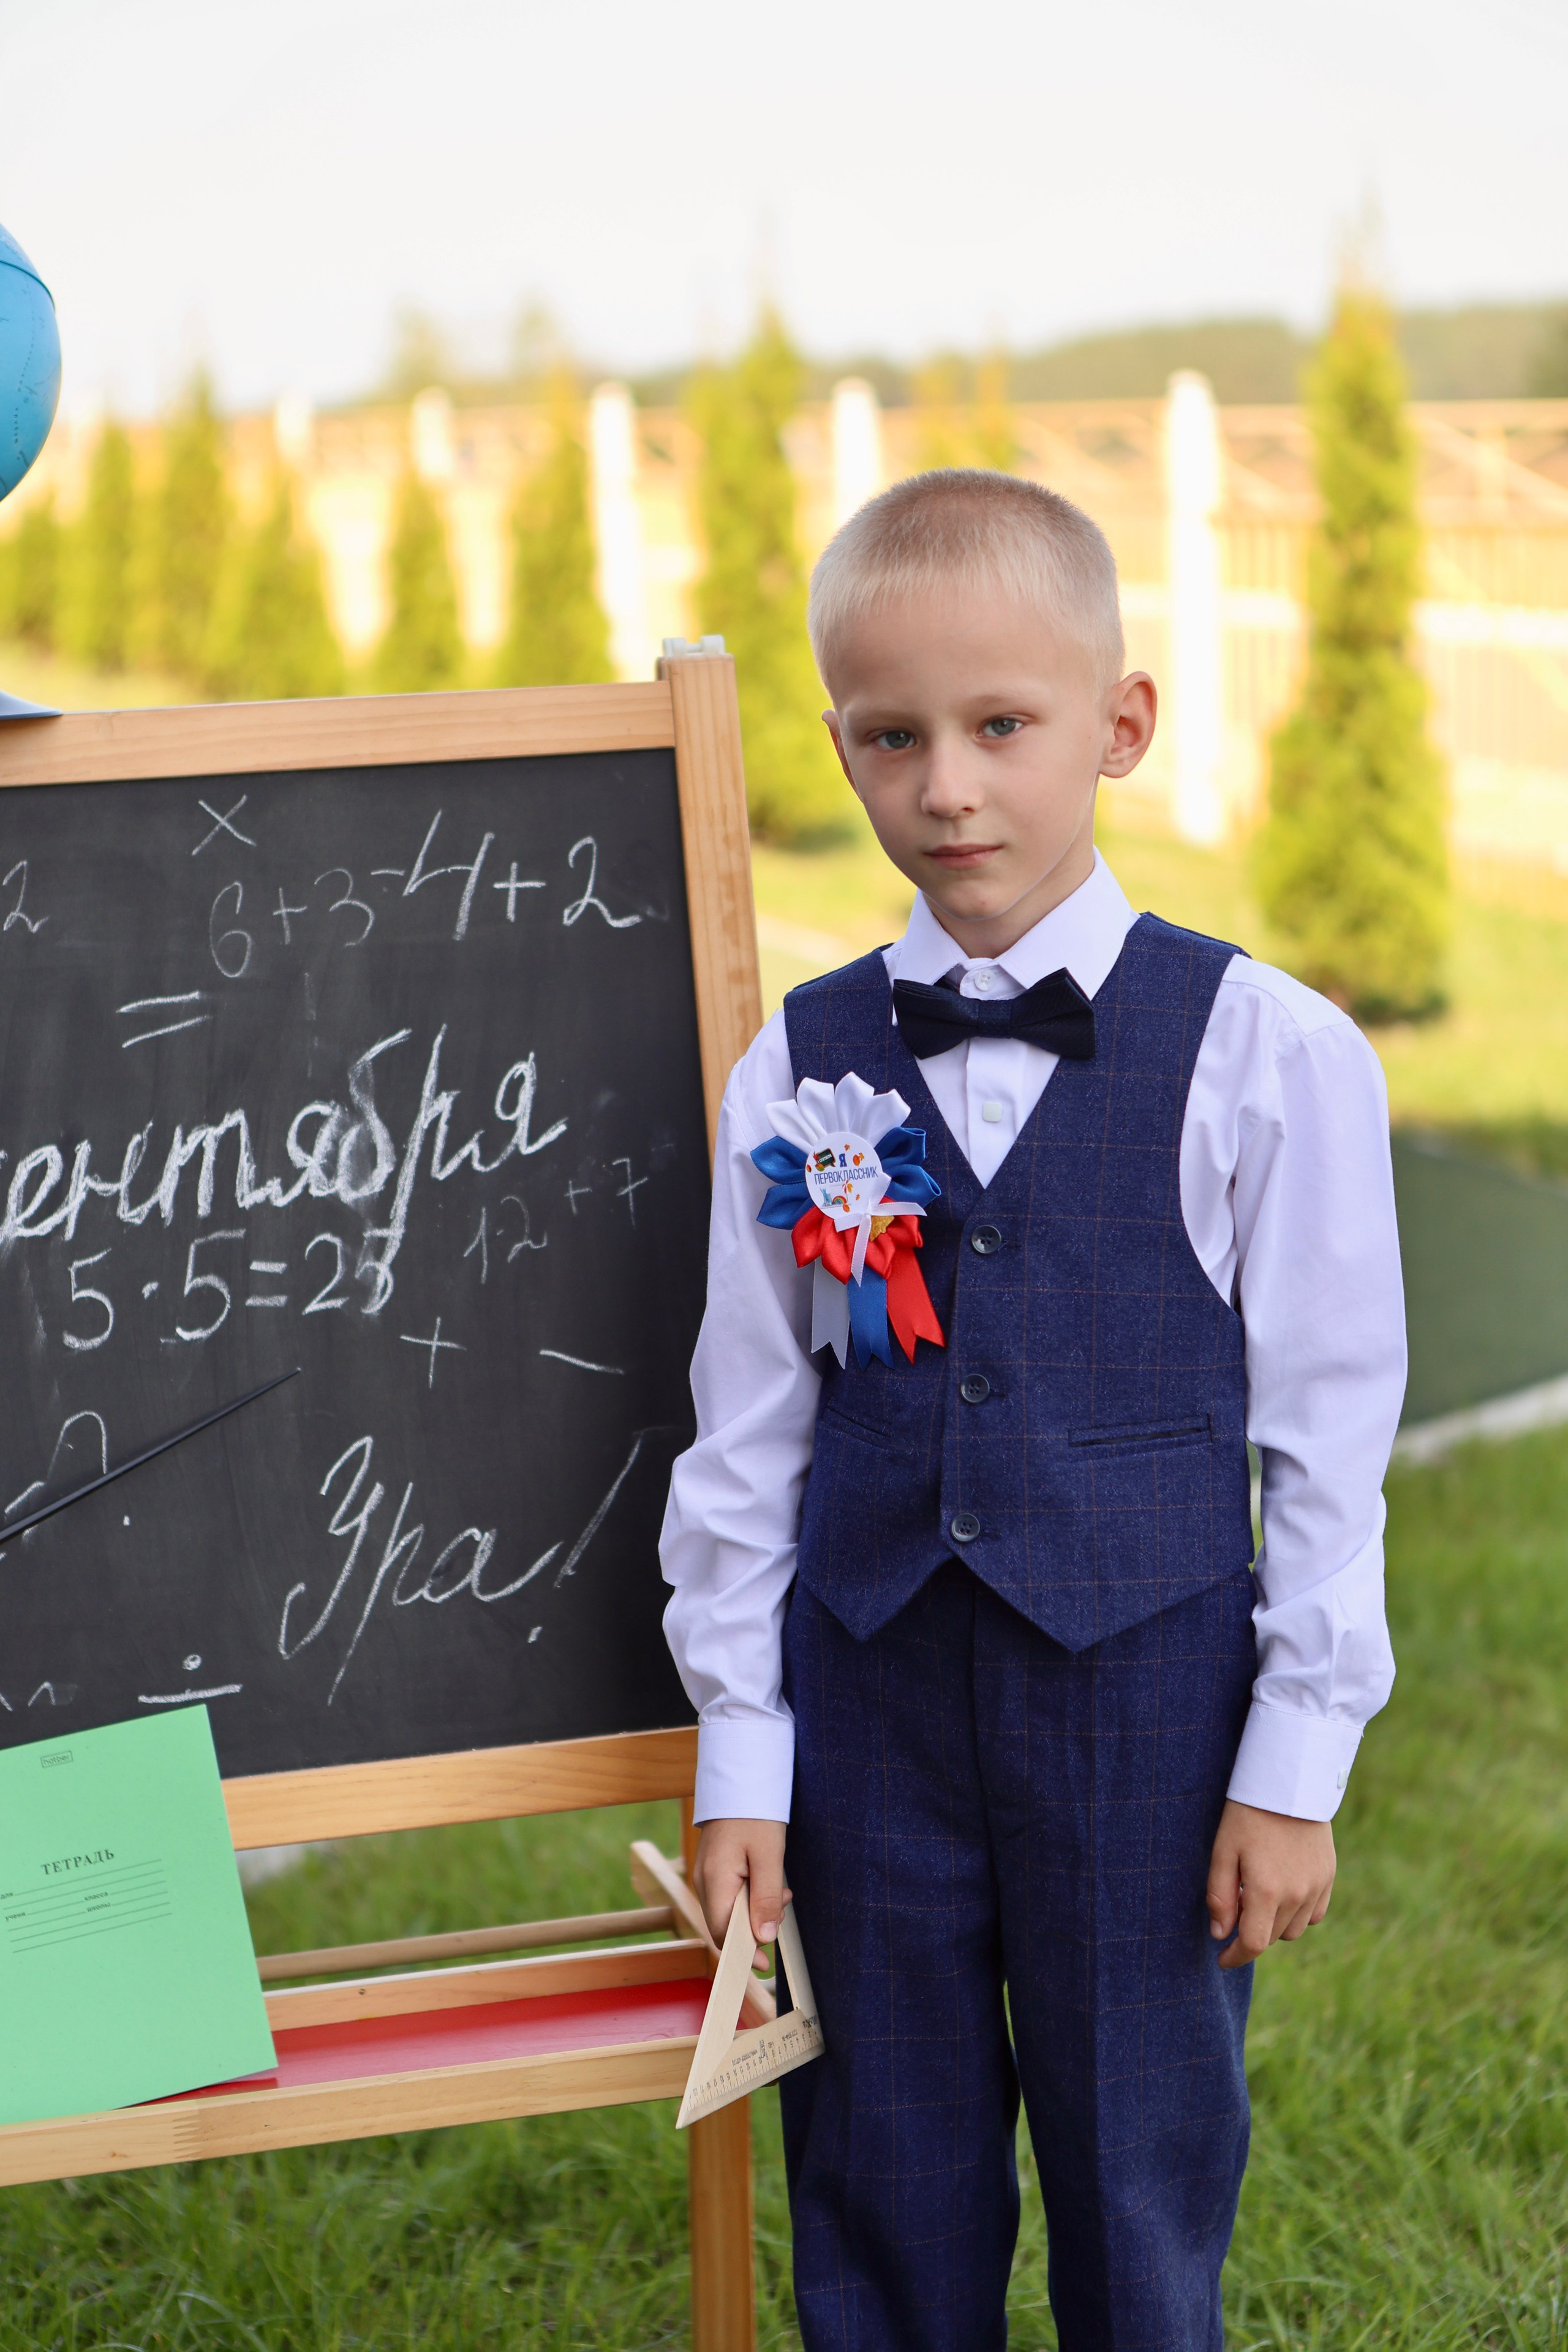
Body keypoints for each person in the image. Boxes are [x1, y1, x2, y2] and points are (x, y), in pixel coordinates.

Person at [660, 469, 1404, 2352]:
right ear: (839, 748)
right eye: (895, 737)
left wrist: (1290, 1765)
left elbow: (1327, 1437)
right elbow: (751, 1431)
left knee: (1139, 2166)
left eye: (1004, 727)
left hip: (1148, 1715)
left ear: (1120, 725)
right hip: (870, 1713)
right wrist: (747, 1756)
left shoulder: (1266, 1053)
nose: (952, 788)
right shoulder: (796, 1065)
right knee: (880, 2164)